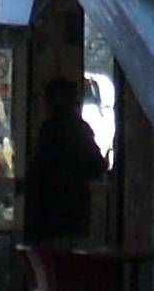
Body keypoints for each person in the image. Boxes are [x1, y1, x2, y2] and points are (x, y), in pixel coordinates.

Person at [20, 77, 106, 247]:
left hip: (49, 216)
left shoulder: (49, 130)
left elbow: (37, 172)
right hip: (74, 214)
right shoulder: (80, 129)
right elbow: (97, 166)